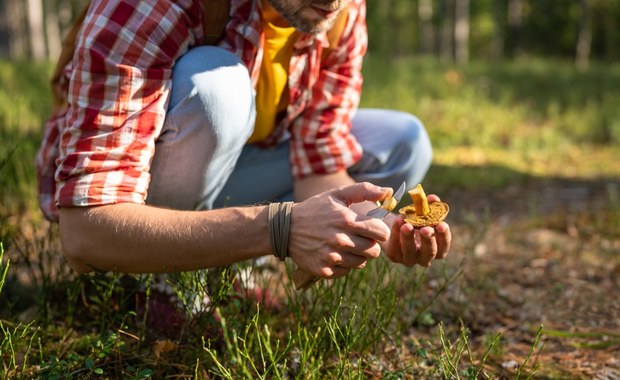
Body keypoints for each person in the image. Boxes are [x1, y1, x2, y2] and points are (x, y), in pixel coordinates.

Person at [36, 0, 452, 284]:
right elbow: (85, 234)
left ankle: (223, 267)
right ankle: (152, 285)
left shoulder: (338, 11)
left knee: (402, 142)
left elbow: (320, 168)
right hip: (135, 197)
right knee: (218, 86)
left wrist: (384, 227)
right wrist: (279, 228)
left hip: (230, 169)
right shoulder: (154, 5)